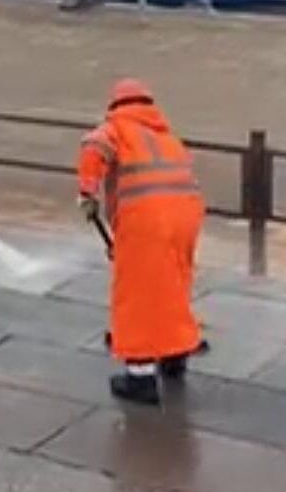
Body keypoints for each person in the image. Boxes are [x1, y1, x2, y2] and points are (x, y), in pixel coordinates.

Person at [77, 79, 205, 405]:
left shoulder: (118, 127)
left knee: (138, 293)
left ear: (116, 105)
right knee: (173, 285)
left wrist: (87, 193)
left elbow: (93, 147)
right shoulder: (166, 137)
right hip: (186, 217)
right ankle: (174, 355)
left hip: (146, 220)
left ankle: (140, 377)